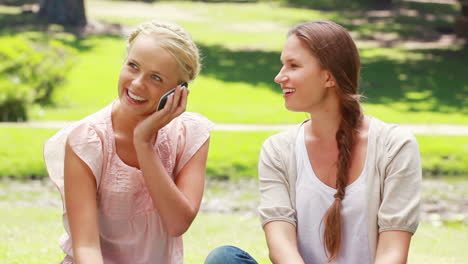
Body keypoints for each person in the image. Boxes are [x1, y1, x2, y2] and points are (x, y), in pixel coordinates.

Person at [205, 19, 421, 264]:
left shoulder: (394, 146)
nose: (279, 77)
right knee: (224, 258)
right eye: (282, 65)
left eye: (293, 66)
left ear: (329, 77)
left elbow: (393, 253)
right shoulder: (278, 150)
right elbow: (281, 246)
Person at [44, 20, 214, 264]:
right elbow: (86, 247)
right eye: (133, 66)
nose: (136, 83)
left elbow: (177, 223)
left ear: (178, 91)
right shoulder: (87, 141)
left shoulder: (191, 134)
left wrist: (143, 143)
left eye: (156, 77)